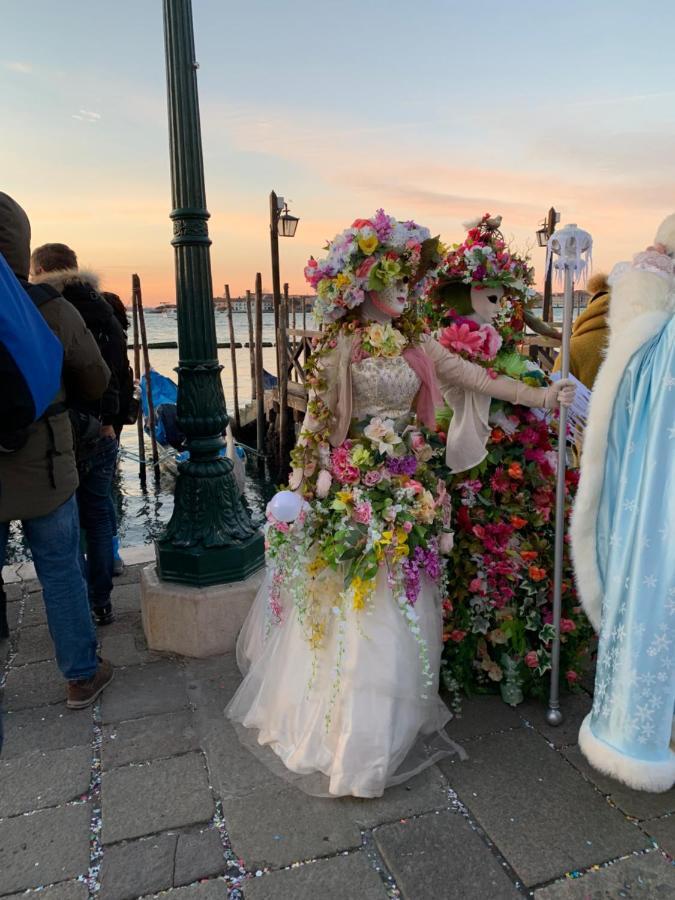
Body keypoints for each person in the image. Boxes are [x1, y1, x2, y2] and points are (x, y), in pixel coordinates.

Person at [226, 211, 575, 798]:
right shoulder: (338, 345)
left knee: (400, 595)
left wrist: (542, 393)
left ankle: (387, 718)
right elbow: (314, 421)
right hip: (352, 483)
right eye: (392, 282)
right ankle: (350, 731)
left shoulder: (418, 343)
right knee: (354, 600)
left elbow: (476, 377)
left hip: (408, 480)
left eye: (408, 284)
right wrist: (300, 483)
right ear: (362, 287)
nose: (404, 292)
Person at [572, 216, 675, 793]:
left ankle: (645, 726)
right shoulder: (655, 340)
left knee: (654, 599)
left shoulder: (654, 340)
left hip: (655, 505)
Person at [0, 192, 113, 708]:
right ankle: (80, 676)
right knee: (60, 567)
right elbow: (95, 378)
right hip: (43, 461)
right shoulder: (48, 306)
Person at [30, 245, 128, 625]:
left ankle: (75, 606)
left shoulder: (43, 309)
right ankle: (101, 600)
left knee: (64, 523)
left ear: (38, 269)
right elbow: (119, 369)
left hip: (60, 431)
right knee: (100, 514)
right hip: (103, 429)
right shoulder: (104, 305)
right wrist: (113, 421)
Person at [552, 272, 610, 389]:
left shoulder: (572, 348)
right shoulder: (637, 343)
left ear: (590, 309)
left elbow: (555, 392)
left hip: (583, 406)